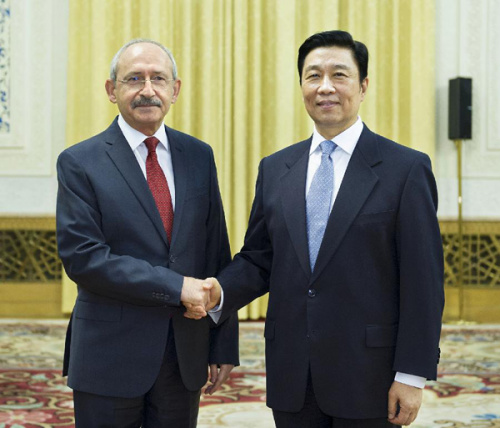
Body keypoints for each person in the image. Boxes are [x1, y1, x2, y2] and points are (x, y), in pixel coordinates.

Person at [186, 30, 444, 427]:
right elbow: (259, 259)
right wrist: (218, 292)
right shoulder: (275, 169)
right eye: (313, 76)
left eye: (339, 75)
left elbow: (423, 282)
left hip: (369, 374)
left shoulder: (404, 169)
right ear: (302, 85)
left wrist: (411, 375)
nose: (325, 87)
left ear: (363, 86)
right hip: (292, 372)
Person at [56, 38, 238, 428]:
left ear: (175, 89)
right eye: (133, 79)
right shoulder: (80, 162)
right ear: (112, 90)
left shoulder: (198, 155)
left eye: (158, 78)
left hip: (183, 353)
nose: (147, 90)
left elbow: (215, 253)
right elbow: (85, 259)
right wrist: (177, 288)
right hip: (108, 355)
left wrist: (224, 342)